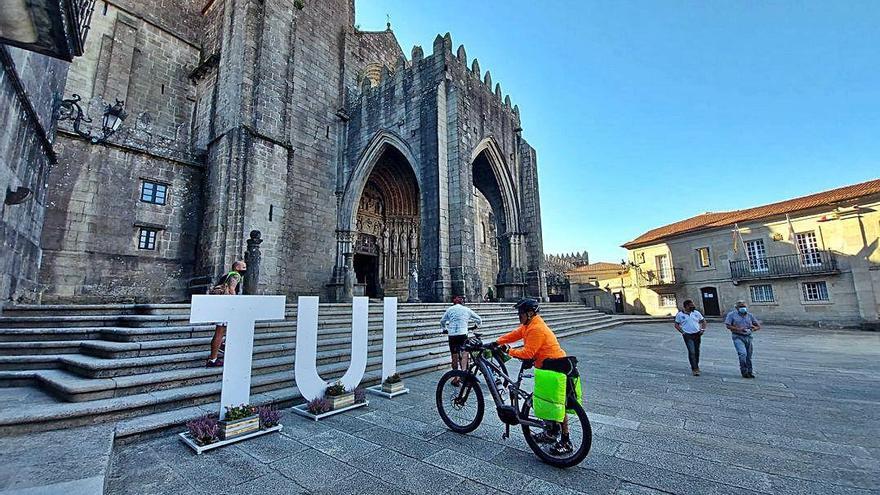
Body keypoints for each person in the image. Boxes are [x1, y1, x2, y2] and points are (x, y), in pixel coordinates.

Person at [495, 298, 574, 456]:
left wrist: (508, 351)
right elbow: (515, 334)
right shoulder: (529, 325)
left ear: (530, 313)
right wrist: (497, 342)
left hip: (555, 369)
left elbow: (528, 353)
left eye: (521, 313)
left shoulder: (536, 328)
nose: (519, 316)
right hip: (546, 368)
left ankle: (566, 441)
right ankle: (551, 433)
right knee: (548, 402)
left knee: (558, 403)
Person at [206, 260, 246, 367]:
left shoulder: (226, 275)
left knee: (221, 332)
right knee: (219, 332)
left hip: (220, 304)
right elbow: (232, 289)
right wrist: (237, 303)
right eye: (243, 267)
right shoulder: (236, 275)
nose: (245, 270)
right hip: (226, 306)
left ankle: (220, 346)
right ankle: (213, 359)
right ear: (237, 268)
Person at [439, 296, 482, 384]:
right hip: (463, 334)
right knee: (464, 355)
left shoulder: (450, 309)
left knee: (454, 356)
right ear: (462, 303)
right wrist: (476, 326)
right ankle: (463, 375)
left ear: (454, 303)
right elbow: (479, 319)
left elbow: (442, 321)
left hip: (452, 335)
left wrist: (444, 329)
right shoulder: (466, 309)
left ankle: (455, 378)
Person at [724, 300, 761, 378]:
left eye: (744, 306)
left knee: (749, 356)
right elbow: (728, 325)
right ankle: (744, 371)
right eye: (741, 306)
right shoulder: (732, 315)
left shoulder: (750, 315)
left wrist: (754, 328)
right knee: (742, 353)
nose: (743, 308)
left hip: (748, 337)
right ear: (736, 308)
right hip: (737, 336)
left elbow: (758, 326)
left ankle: (750, 371)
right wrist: (739, 329)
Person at [674, 299, 706, 376]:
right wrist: (683, 332)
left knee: (697, 351)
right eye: (691, 306)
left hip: (697, 334)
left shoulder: (696, 313)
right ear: (686, 306)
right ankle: (694, 369)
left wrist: (702, 329)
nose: (693, 307)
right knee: (692, 351)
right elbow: (676, 325)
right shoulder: (680, 315)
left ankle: (696, 365)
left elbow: (703, 321)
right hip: (687, 335)